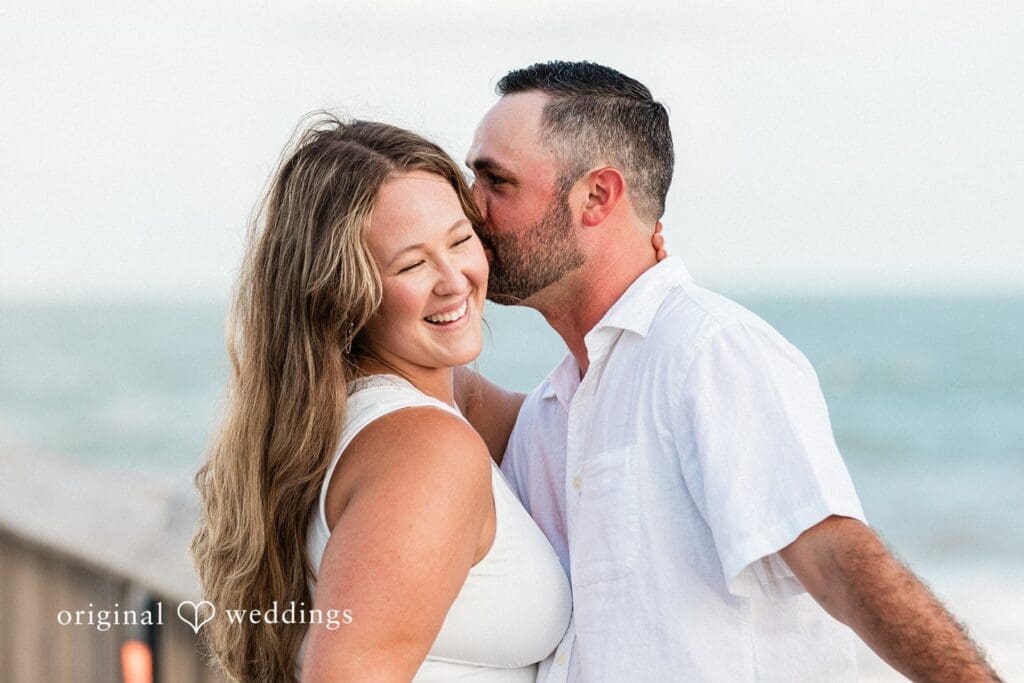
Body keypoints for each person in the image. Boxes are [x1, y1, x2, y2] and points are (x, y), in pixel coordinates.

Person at [462, 61, 1002, 682]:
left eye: (495, 181)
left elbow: (836, 559)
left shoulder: (708, 352)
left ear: (597, 197)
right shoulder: (555, 407)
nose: (470, 209)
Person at [191, 116, 576, 682]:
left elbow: (585, 425)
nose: (455, 280)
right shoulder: (426, 450)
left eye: (461, 240)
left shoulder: (375, 410)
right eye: (412, 264)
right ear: (345, 293)